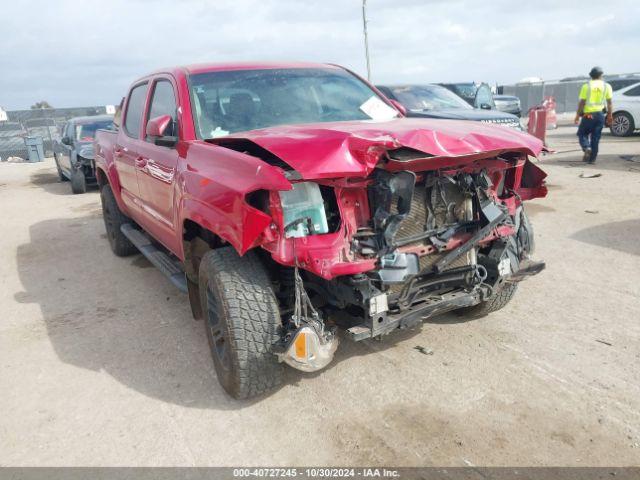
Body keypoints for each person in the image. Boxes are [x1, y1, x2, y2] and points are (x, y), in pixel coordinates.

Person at [574, 66, 613, 164]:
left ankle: (587, 148)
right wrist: (610, 116)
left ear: (591, 76)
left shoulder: (586, 86)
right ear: (601, 75)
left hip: (588, 115)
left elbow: (582, 103)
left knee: (582, 133)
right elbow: (609, 103)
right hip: (600, 115)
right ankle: (592, 160)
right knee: (595, 137)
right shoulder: (606, 86)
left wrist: (577, 116)